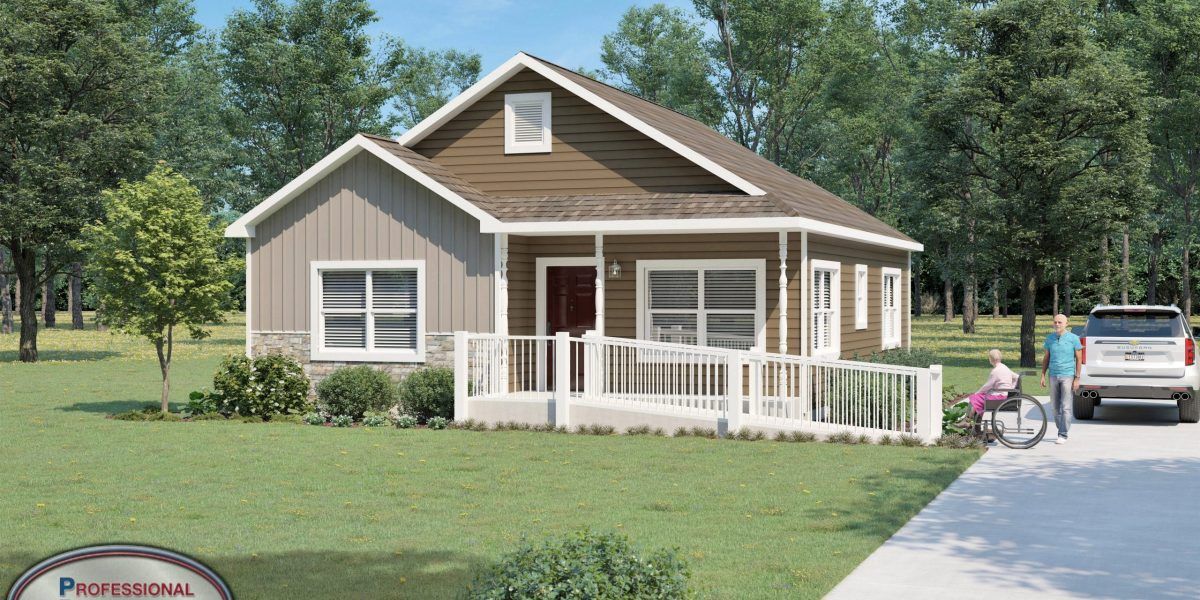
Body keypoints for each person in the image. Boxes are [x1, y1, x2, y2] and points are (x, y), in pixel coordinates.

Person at [1040, 313, 1083, 445]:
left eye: (1060, 322)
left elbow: (1079, 359)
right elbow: (1046, 358)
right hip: (1053, 375)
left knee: (1066, 406)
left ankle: (1063, 433)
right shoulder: (1050, 338)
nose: (1057, 324)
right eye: (1055, 322)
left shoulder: (1074, 338)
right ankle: (1062, 428)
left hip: (1067, 375)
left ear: (1066, 324)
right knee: (1054, 407)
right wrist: (1042, 374)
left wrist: (1077, 378)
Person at [968, 349, 1019, 416]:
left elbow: (987, 386)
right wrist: (1011, 387)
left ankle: (968, 420)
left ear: (990, 359)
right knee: (977, 398)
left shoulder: (995, 371)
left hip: (998, 397)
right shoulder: (1004, 367)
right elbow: (1017, 377)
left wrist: (977, 392)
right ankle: (970, 421)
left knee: (974, 398)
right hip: (1003, 396)